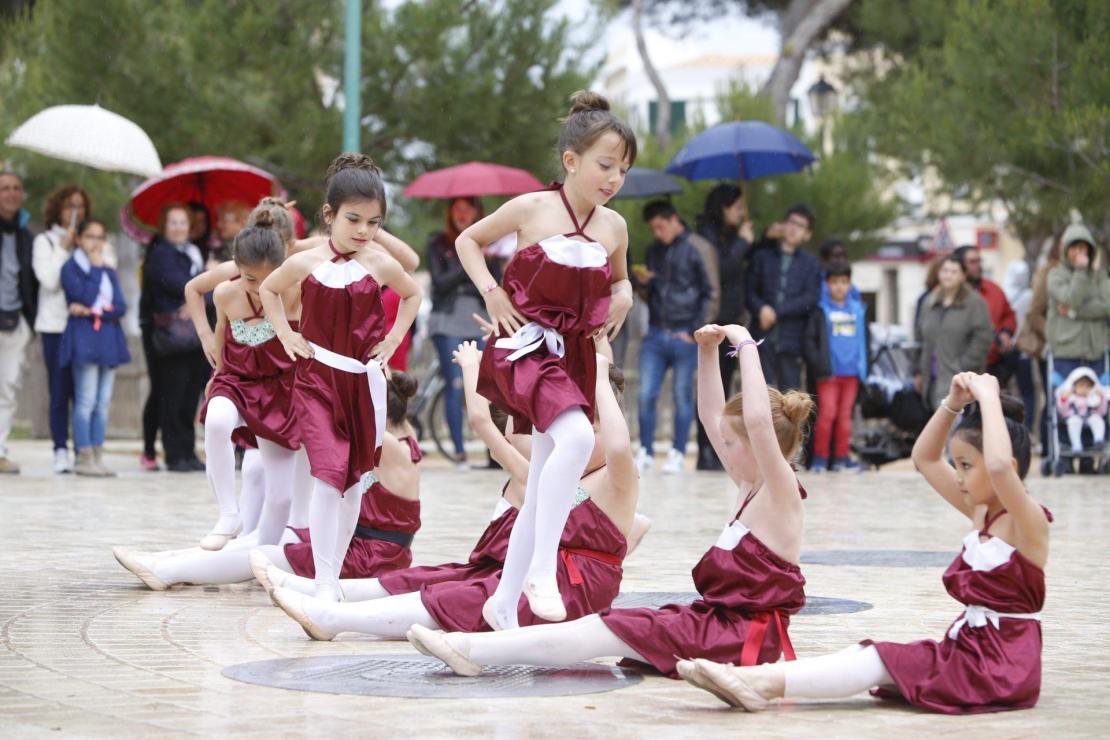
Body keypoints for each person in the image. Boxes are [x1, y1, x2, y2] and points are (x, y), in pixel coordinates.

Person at [408, 322, 810, 678]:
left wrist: (743, 343)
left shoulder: (780, 490)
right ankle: (471, 646)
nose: (721, 446)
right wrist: (707, 353)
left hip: (744, 638)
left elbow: (756, 422)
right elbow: (710, 417)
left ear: (763, 447)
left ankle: (470, 649)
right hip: (717, 624)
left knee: (599, 631)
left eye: (730, 442)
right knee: (610, 624)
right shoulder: (748, 483)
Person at [678, 374, 1051, 716]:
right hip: (971, 648)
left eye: (967, 465)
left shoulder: (1028, 522)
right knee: (874, 656)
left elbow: (1001, 468)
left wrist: (988, 398)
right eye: (959, 464)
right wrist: (952, 404)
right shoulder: (981, 510)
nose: (958, 475)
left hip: (1003, 665)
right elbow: (924, 458)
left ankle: (759, 682)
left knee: (877, 659)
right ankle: (759, 681)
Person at [263, 338, 638, 640]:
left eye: (595, 429)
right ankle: (325, 595)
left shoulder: (617, 480)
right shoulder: (548, 470)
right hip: (513, 572)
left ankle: (333, 616)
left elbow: (620, 447)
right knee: (436, 581)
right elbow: (514, 429)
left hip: (566, 590)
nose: (583, 437)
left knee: (456, 595)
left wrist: (600, 376)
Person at [453, 91, 634, 627]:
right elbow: (468, 240)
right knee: (578, 441)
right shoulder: (531, 207)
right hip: (525, 347)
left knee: (543, 483)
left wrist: (622, 296)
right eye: (605, 165)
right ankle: (540, 571)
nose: (613, 179)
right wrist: (490, 290)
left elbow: (621, 279)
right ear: (571, 160)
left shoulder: (615, 227)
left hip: (575, 354)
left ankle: (503, 602)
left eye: (622, 170)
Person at [259, 153, 420, 603]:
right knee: (329, 476)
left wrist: (391, 342)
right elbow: (269, 289)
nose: (364, 230)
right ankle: (326, 582)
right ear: (329, 215)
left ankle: (332, 571)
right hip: (316, 380)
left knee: (352, 484)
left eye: (374, 221)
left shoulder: (380, 263)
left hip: (363, 385)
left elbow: (413, 294)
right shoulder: (306, 260)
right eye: (354, 219)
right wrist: (286, 334)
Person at [111, 375, 417, 590]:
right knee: (277, 538)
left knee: (263, 556)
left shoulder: (389, 447)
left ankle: (168, 572)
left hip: (372, 556)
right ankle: (164, 559)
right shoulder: (402, 434)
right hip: (351, 540)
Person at [196, 214, 302, 550]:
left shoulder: (295, 292)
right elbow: (221, 336)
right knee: (216, 421)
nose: (259, 288)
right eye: (250, 278)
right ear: (236, 268)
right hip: (237, 380)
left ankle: (262, 555)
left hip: (279, 390)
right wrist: (216, 375)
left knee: (282, 496)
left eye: (268, 280)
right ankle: (229, 513)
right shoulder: (225, 294)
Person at [632, 200, 712, 474]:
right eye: (653, 228)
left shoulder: (697, 248)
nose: (657, 233)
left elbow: (711, 292)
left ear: (674, 220)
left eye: (660, 226)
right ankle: (645, 450)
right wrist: (644, 284)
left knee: (682, 396)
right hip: (655, 333)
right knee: (645, 394)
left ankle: (677, 452)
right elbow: (650, 296)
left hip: (684, 334)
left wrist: (696, 331)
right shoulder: (654, 251)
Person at [425, 196, 498, 468]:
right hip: (447, 322)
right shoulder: (437, 243)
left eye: (468, 209)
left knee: (488, 386)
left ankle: (495, 453)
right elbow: (440, 282)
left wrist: (482, 254)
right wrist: (467, 252)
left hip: (478, 319)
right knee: (456, 384)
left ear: (478, 212)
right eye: (457, 209)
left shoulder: (488, 247)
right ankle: (459, 452)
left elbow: (494, 285)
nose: (462, 214)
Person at [140, 203, 210, 472]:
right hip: (172, 336)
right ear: (164, 226)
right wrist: (201, 288)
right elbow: (179, 284)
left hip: (194, 333)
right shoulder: (161, 255)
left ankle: (188, 451)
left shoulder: (195, 252)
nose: (179, 227)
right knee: (172, 394)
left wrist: (198, 295)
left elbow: (208, 289)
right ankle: (173, 453)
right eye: (174, 222)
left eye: (183, 222)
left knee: (191, 394)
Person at [59, 218, 130, 477]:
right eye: (90, 236)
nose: (95, 243)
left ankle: (98, 455)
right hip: (83, 338)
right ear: (79, 239)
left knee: (102, 403)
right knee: (85, 400)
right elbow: (84, 296)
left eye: (100, 237)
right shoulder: (71, 268)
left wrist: (95, 310)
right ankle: (83, 455)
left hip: (108, 338)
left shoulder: (109, 270)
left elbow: (121, 306)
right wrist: (96, 270)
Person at [693, 184, 752, 470]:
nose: (740, 214)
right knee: (709, 390)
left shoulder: (731, 236)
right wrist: (743, 242)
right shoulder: (706, 236)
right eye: (736, 208)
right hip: (713, 324)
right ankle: (707, 451)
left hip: (733, 321)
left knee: (725, 387)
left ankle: (720, 449)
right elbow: (722, 269)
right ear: (723, 208)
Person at [33, 185, 90, 473]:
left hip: (84, 327)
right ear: (58, 208)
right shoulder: (45, 241)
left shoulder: (88, 241)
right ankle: (59, 448)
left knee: (84, 391)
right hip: (55, 327)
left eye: (80, 207)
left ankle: (83, 447)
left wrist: (82, 248)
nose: (75, 212)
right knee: (59, 389)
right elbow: (49, 281)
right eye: (70, 206)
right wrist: (64, 249)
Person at [746, 204, 821, 391]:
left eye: (800, 225)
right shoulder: (762, 256)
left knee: (790, 399)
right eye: (791, 222)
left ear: (808, 234)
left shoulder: (811, 263)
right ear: (783, 225)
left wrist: (776, 312)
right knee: (759, 395)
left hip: (792, 340)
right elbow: (748, 291)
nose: (794, 228)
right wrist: (761, 309)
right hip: (761, 337)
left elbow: (810, 298)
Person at [805, 261, 868, 472]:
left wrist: (864, 367)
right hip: (829, 374)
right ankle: (820, 458)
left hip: (851, 374)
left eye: (844, 282)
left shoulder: (858, 310)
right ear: (827, 284)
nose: (839, 287)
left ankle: (841, 458)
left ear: (850, 284)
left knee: (844, 419)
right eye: (834, 282)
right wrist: (818, 365)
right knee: (827, 415)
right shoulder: (820, 310)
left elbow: (865, 341)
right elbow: (810, 341)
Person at [914, 256, 994, 409]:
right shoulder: (930, 302)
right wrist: (918, 370)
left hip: (960, 380)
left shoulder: (974, 303)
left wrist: (963, 366)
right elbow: (920, 337)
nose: (948, 275)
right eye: (945, 270)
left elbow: (983, 338)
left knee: (954, 428)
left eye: (953, 271)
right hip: (931, 379)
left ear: (963, 275)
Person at [0, 171, 38, 475]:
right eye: (4, 189)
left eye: (16, 188)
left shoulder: (27, 236)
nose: (11, 194)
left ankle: (0, 450)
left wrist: (30, 321)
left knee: (7, 389)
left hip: (15, 322)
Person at [1045, 224, 1110, 380]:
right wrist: (1080, 272)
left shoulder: (1099, 276)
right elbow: (1070, 299)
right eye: (1074, 248)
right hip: (1067, 354)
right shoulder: (1055, 275)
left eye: (1082, 248)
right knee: (1067, 402)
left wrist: (1074, 313)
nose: (1078, 253)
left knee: (1098, 403)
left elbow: (1107, 307)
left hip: (1096, 354)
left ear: (1090, 250)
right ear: (1066, 250)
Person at [953, 245, 1017, 383]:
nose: (977, 266)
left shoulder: (993, 289)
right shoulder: (949, 294)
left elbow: (1008, 315)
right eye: (972, 262)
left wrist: (1006, 332)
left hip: (991, 363)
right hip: (957, 366)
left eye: (979, 261)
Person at [1004, 260, 1036, 430]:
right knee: (1027, 392)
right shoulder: (1029, 296)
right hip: (1022, 348)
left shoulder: (1003, 292)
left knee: (1006, 390)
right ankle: (1026, 428)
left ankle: (1010, 428)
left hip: (1008, 347)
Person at [1055, 367, 1107, 453]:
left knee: (1098, 420)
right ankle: (1076, 444)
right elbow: (1062, 411)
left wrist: (1102, 399)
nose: (1084, 389)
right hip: (1075, 417)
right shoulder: (1071, 398)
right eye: (1081, 385)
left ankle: (1098, 440)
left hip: (1090, 417)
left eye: (1087, 386)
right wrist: (1064, 399)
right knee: (1074, 421)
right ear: (1074, 386)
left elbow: (1102, 412)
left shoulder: (1094, 398)